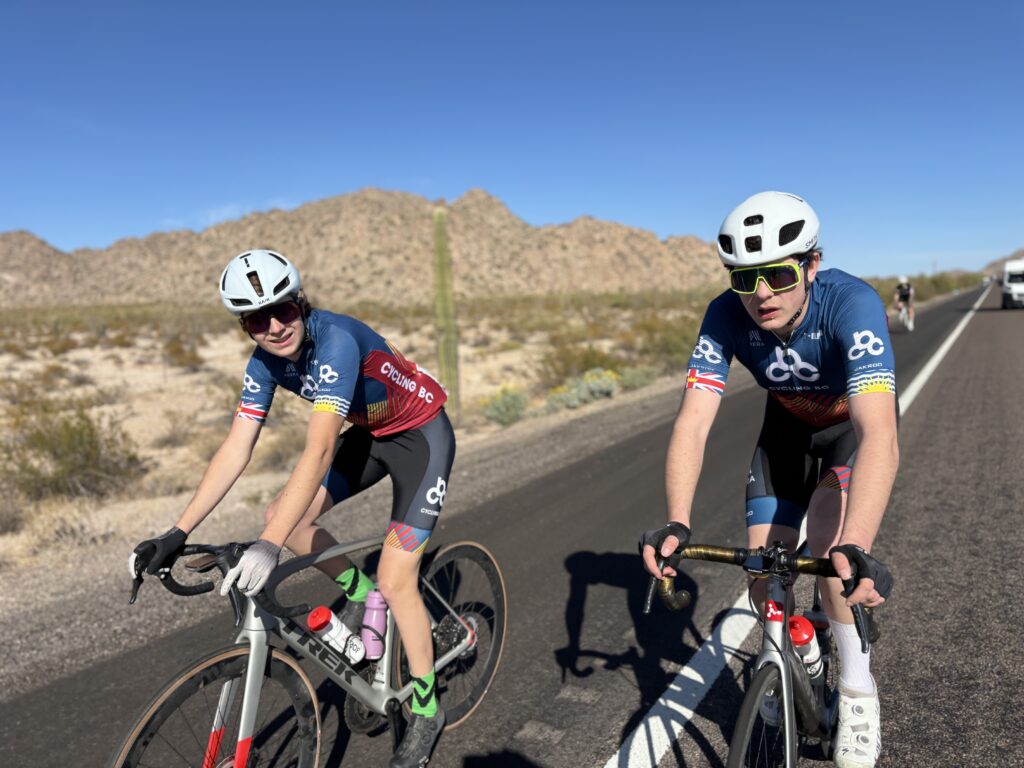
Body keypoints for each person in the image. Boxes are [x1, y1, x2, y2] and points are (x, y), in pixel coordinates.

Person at [129, 249, 454, 768]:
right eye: (257, 318)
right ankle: (362, 594)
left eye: (283, 309)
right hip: (372, 433)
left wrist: (270, 547)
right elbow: (237, 447)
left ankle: (426, 706)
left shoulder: (337, 344)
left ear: (300, 303)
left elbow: (320, 449)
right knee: (286, 516)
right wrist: (176, 530)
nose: (275, 326)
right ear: (244, 326)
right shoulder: (263, 364)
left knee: (397, 578)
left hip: (421, 437)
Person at [640, 192, 897, 768]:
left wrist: (859, 544)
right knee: (763, 578)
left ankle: (857, 694)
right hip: (782, 439)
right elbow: (694, 419)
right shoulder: (724, 315)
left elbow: (879, 432)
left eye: (778, 275)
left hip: (845, 439)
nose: (762, 294)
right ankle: (798, 650)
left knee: (833, 560)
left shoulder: (852, 304)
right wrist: (678, 520)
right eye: (745, 279)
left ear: (810, 265)